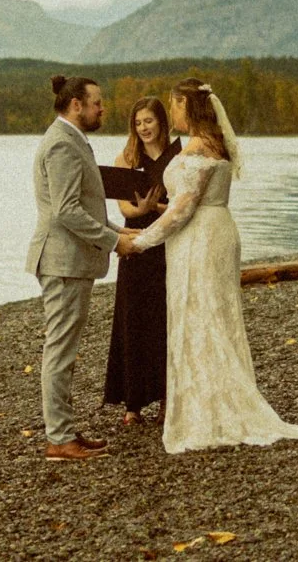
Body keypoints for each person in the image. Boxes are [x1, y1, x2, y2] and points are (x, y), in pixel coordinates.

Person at [129, 78, 298, 453]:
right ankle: (212, 394)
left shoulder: (198, 149)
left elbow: (183, 210)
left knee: (199, 313)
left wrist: (139, 242)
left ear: (186, 105)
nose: (171, 113)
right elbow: (183, 205)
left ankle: (210, 408)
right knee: (215, 314)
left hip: (201, 237)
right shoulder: (215, 143)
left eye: (174, 105)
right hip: (217, 228)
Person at [26, 74, 135, 461]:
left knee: (65, 350)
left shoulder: (71, 141)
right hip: (62, 262)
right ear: (76, 105)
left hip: (70, 261)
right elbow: (66, 211)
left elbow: (86, 208)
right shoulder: (61, 145)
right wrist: (113, 241)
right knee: (60, 351)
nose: (102, 109)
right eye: (97, 103)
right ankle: (58, 439)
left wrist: (121, 231)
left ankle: (65, 430)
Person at [103, 96, 180, 425]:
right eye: (138, 123)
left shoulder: (178, 157)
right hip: (136, 243)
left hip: (169, 242)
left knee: (166, 320)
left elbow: (185, 204)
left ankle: (166, 399)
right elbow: (124, 209)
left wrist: (157, 210)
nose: (143, 128)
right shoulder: (126, 157)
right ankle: (132, 404)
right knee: (132, 320)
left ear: (161, 121)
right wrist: (143, 210)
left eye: (149, 121)